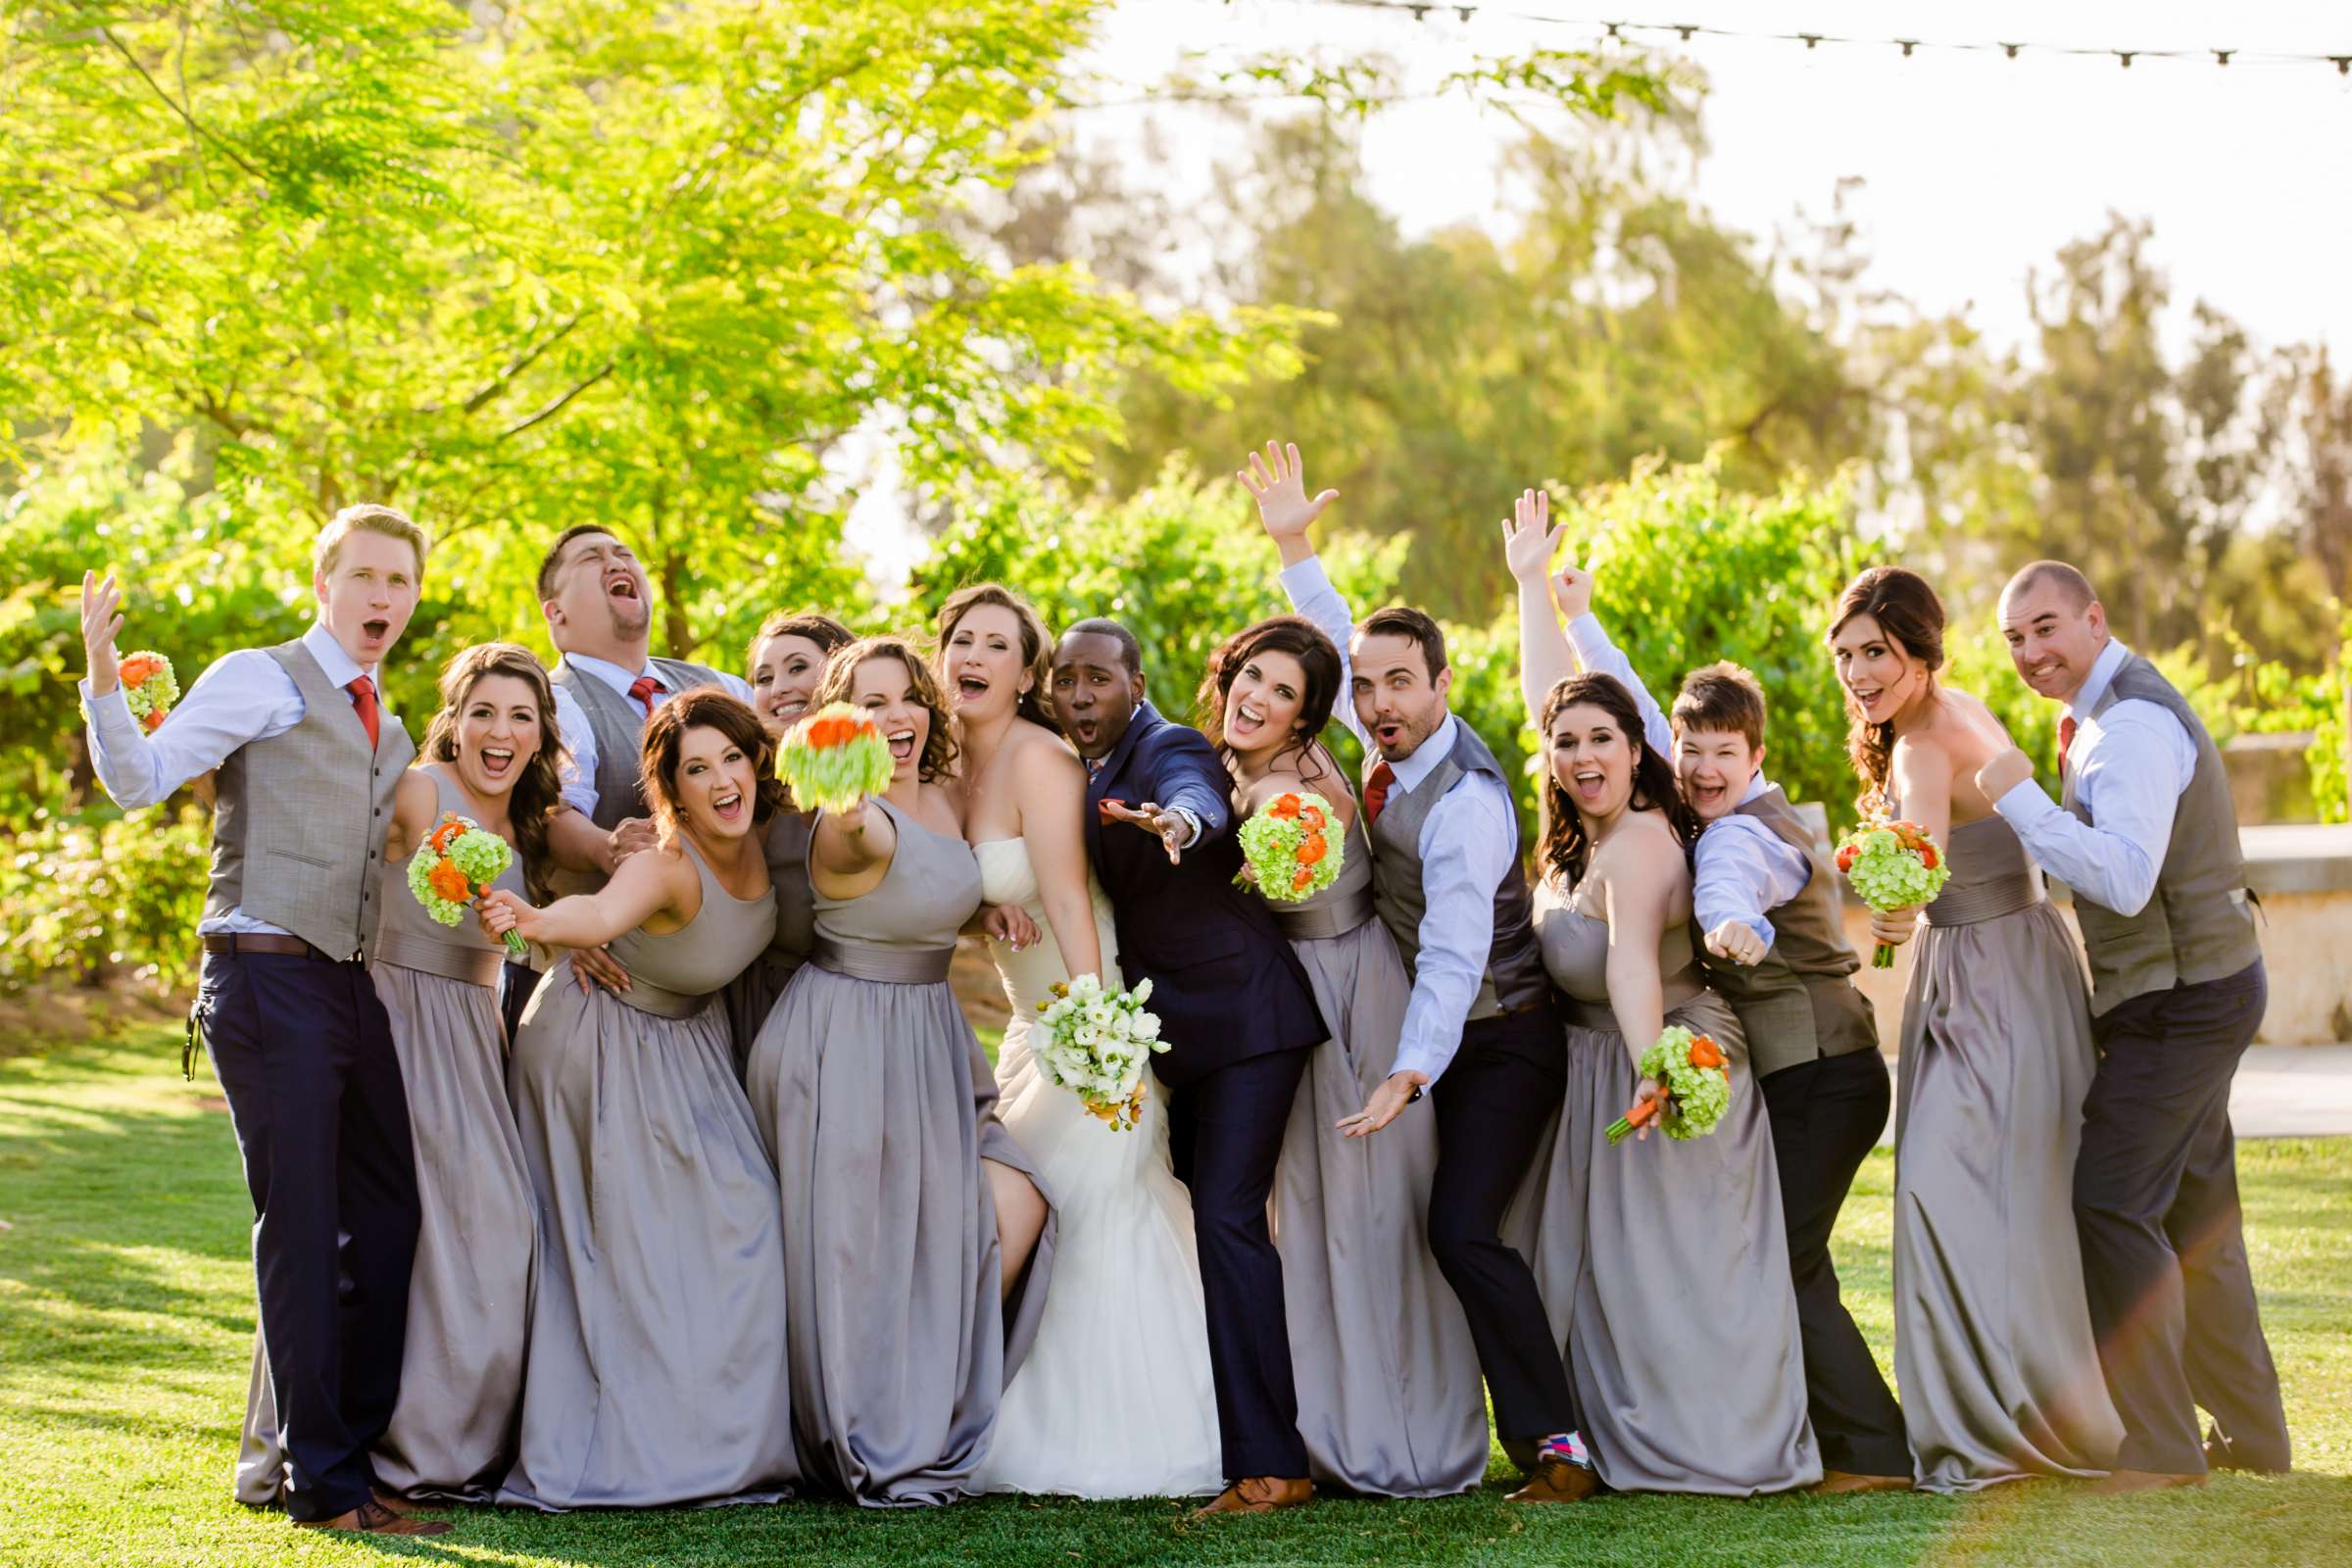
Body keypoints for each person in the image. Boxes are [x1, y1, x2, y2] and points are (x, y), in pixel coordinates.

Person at [1507, 490, 1910, 1494]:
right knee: (1760, 1254)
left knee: (1784, 1255)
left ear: (1757, 757)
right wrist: (1564, 609)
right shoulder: (1681, 787)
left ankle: (1872, 1450)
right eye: (1689, 751)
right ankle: (1837, 1436)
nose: (1698, 766)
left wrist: (1735, 928)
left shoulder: (1737, 834)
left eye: (1722, 753)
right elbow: (1629, 707)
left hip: (1821, 1069)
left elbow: (1732, 896)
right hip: (1791, 1062)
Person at [78, 507, 451, 1537]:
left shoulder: (391, 718)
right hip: (263, 974)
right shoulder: (263, 674)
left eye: (401, 582)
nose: (384, 598)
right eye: (366, 576)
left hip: (344, 982)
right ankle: (322, 1485)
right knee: (298, 1225)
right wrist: (104, 677)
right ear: (324, 582)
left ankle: (349, 1458)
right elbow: (139, 781)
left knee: (385, 1216)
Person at [1253, 442, 1589, 1504]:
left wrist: (1410, 1069)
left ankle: (1557, 1449)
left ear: (1444, 684)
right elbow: (1330, 612)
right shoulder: (1384, 731)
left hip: (1502, 1037)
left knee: (1459, 1226)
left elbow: (1451, 954)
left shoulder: (1470, 804)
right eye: (1367, 682)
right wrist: (1293, 542)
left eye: (1403, 680)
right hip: (1437, 1030)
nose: (1379, 700)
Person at [239, 643, 572, 1506]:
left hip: (471, 1034)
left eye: (520, 716)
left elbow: (580, 879)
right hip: (392, 1016)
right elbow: (374, 840)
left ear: (541, 733)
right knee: (383, 1236)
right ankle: (358, 1447)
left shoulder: (533, 823)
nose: (500, 732)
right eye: (483, 712)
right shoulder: (423, 789)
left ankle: (443, 1441)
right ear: (454, 722)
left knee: (492, 1233)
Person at [1980, 560, 2287, 1490]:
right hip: (2193, 991)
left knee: (2111, 1202)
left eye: (2044, 628)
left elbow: (2121, 878)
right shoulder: (2100, 719)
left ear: (2093, 617)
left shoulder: (2135, 728)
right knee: (2197, 1217)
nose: (2031, 652)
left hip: (2185, 1004)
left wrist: (2018, 798)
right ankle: (2256, 1437)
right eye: (2015, 640)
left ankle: (2161, 1447)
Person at [1828, 565, 2123, 1492]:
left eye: (1875, 652)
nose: (1858, 674)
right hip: (2021, 959)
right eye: (1845, 657)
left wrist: (1884, 919)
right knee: (2019, 1192)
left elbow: (1914, 874)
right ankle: (2036, 1403)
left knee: (1938, 1192)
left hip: (1987, 977)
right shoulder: (1949, 710)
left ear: (1918, 648)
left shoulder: (1919, 746)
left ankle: (1992, 1423)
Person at [744, 637, 1056, 1506]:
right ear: (845, 723)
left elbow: (921, 887)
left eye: (909, 697)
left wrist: (982, 903)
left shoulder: (944, 799)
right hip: (842, 1036)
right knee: (853, 1246)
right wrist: (840, 786)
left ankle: (920, 1380)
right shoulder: (853, 815)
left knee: (1014, 1195)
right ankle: (862, 1431)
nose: (897, 716)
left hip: (925, 1037)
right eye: (871, 704)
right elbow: (859, 838)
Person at [1508, 657, 1821, 1494]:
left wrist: (1653, 1074)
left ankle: (1707, 1441)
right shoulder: (1590, 830)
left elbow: (1631, 971)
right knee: (1601, 1263)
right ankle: (1585, 1433)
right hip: (1592, 1057)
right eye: (1565, 743)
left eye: (1602, 740)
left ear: (1636, 746)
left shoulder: (1643, 841)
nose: (1583, 756)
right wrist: (1537, 588)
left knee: (1669, 1264)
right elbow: (1559, 695)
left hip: (1660, 1050)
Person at [1197, 603, 1487, 1498]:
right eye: (1252, 676)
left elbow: (1297, 821)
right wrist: (1294, 544)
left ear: (1306, 717)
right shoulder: (1239, 752)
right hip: (1286, 996)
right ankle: (1325, 1421)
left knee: (1371, 1213)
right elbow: (1336, 650)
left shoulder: (1293, 782)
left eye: (1284, 692)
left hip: (1350, 993)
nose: (1261, 697)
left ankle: (1402, 1438)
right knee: (1311, 1216)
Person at [483, 691, 796, 1509]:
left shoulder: (768, 833)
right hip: (598, 1039)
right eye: (697, 768)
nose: (721, 780)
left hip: (686, 1044)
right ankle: (627, 1445)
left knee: (747, 1220)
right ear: (671, 788)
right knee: (622, 1250)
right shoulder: (666, 859)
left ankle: (720, 1442)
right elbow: (600, 908)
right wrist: (540, 921)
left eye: (732, 758)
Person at [945, 585, 1223, 1499]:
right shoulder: (943, 766)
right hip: (1024, 1030)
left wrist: (1101, 1031)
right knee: (1030, 1201)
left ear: (1027, 675)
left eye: (997, 644)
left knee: (1094, 1198)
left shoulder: (1042, 761)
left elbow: (1066, 897)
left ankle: (1120, 1431)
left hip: (1083, 1014)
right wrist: (980, 901)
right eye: (961, 640)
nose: (973, 656)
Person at [1054, 616, 1327, 1516]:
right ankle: (1230, 1435)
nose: (1083, 694)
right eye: (1068, 680)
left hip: (1248, 1016)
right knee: (1201, 1214)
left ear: (1139, 680)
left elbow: (1195, 801)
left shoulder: (1169, 746)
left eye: (1100, 677)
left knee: (1226, 1218)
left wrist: (1176, 821)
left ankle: (1272, 1467)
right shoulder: (1085, 762)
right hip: (1184, 1033)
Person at [720, 610, 855, 1069]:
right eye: (763, 677)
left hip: (869, 996)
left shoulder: (890, 773)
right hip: (768, 1001)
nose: (778, 688)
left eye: (798, 668)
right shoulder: (744, 788)